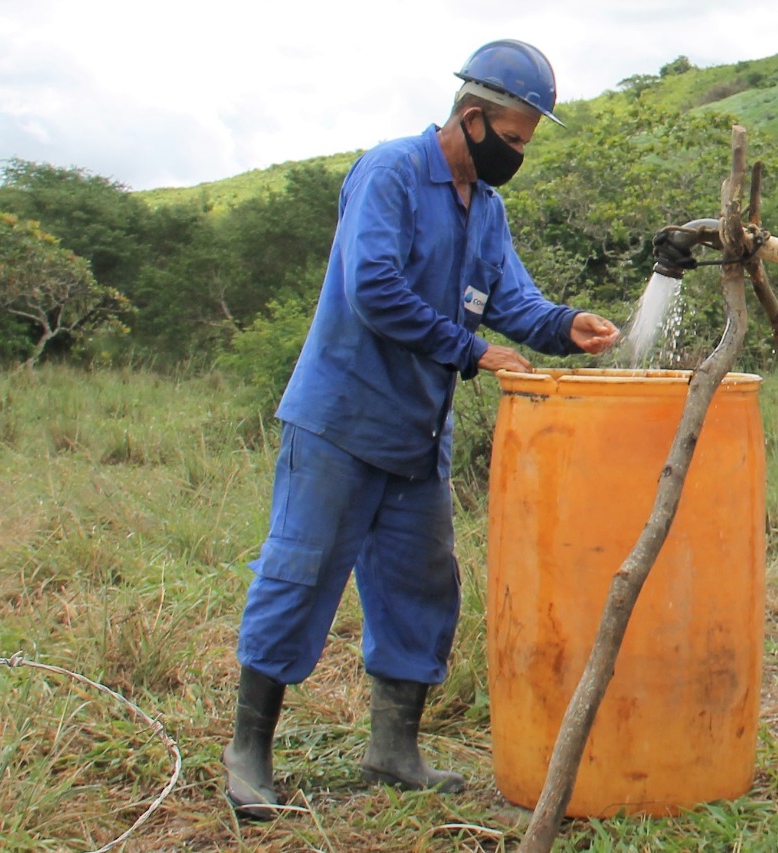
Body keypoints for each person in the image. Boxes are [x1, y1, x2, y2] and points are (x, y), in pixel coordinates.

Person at [223, 39, 619, 817]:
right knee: (300, 575)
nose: (517, 155)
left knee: (422, 587)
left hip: (416, 437)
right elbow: (373, 288)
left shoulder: (487, 209)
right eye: (512, 139)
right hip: (340, 422)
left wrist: (566, 324)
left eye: (525, 143)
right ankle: (248, 750)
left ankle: (393, 751)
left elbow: (511, 300)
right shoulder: (392, 173)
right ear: (471, 119)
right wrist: (474, 352)